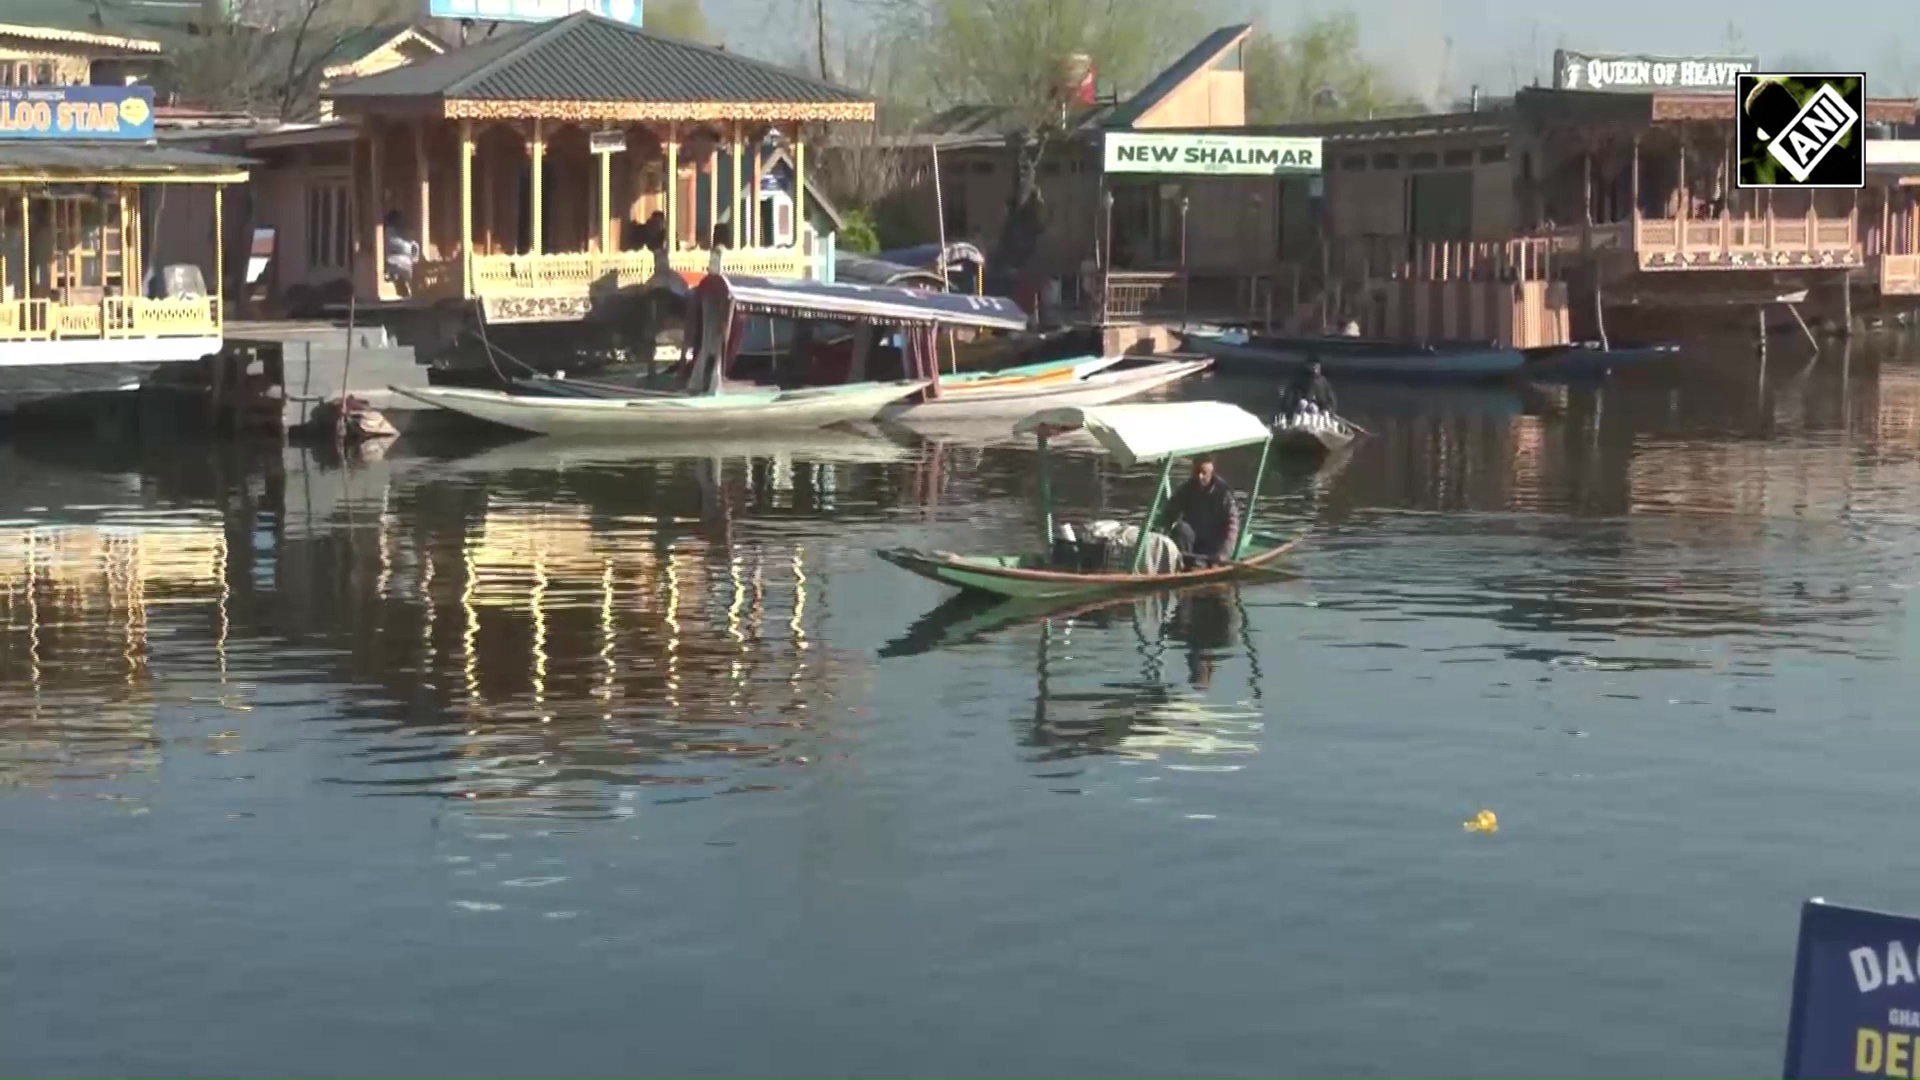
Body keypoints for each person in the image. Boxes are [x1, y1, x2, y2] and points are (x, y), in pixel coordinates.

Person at [1164, 455, 1239, 568]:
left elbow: (1232, 524)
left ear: (1211, 473)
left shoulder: (1223, 493)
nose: (1199, 477)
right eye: (1197, 473)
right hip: (1193, 542)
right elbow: (1168, 513)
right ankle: (1184, 564)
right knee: (1181, 528)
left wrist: (1224, 553)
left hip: (1214, 543)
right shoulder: (1186, 489)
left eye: (1203, 473)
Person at [382, 210, 420, 296]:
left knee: (413, 268)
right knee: (410, 271)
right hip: (392, 260)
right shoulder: (388, 232)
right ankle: (414, 293)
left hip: (404, 259)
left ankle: (411, 292)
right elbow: (400, 247)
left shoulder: (399, 231)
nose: (402, 221)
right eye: (399, 219)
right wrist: (410, 244)